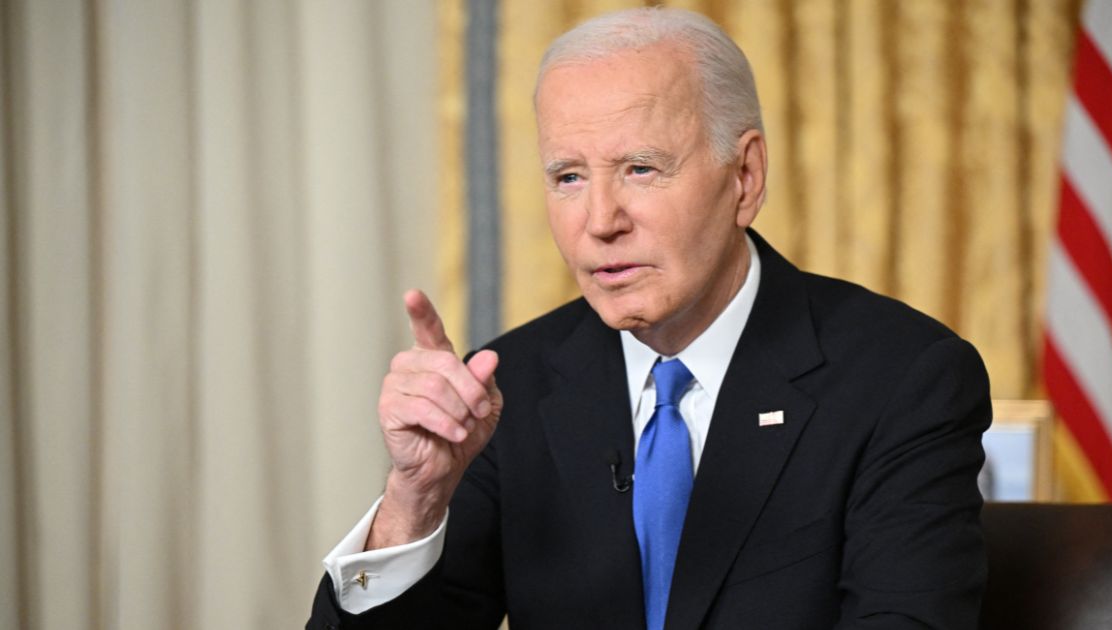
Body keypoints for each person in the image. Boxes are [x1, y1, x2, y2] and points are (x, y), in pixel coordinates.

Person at [307, 7, 990, 630]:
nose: (599, 222)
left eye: (640, 168)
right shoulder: (507, 388)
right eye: (568, 177)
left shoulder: (903, 378)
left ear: (744, 178)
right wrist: (414, 502)